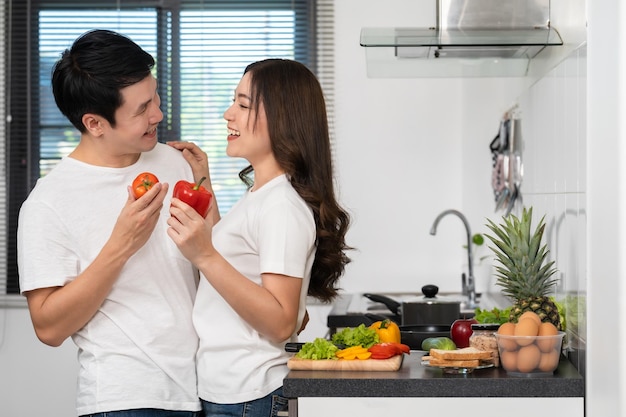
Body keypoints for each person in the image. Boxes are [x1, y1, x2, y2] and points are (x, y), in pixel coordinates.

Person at [17, 29, 210, 417]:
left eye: (155, 96)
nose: (158, 114)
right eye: (141, 110)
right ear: (95, 123)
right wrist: (121, 245)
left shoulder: (172, 162)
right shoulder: (49, 202)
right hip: (127, 399)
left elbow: (207, 266)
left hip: (204, 386)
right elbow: (49, 328)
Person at [166, 58, 352, 417]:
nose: (228, 114)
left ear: (282, 119)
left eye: (242, 104)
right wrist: (202, 178)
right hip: (234, 391)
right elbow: (239, 258)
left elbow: (283, 321)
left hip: (250, 394)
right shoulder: (263, 195)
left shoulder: (282, 206)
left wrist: (203, 256)